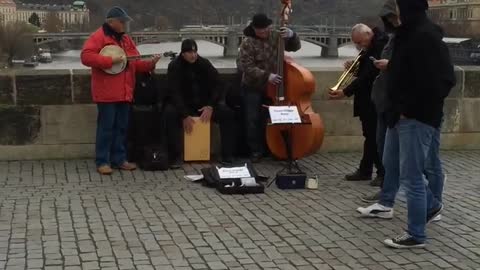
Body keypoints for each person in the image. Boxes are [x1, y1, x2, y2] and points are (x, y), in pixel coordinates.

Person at [360, 0, 455, 249]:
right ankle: (432, 205)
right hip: (397, 114)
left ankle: (416, 234)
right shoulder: (406, 35)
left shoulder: (426, 37)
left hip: (415, 116)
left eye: (399, 8)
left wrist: (409, 110)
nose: (396, 13)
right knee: (393, 164)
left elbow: (442, 81)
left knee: (413, 176)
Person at [81, 7, 161, 175]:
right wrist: (109, 60)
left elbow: (135, 62)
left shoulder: (126, 40)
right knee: (106, 128)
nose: (125, 24)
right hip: (106, 92)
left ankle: (119, 159)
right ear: (111, 22)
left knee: (122, 128)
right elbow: (86, 56)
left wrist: (150, 64)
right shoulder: (98, 36)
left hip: (125, 92)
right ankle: (102, 161)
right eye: (122, 21)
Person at [238, 13, 301, 163]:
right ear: (253, 29)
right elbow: (247, 67)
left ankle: (274, 148)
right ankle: (256, 151)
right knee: (252, 119)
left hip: (274, 87)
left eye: (266, 29)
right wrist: (267, 75)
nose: (264, 32)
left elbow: (295, 47)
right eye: (260, 30)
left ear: (269, 26)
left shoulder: (276, 36)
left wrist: (292, 35)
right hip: (252, 86)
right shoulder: (247, 42)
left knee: (274, 118)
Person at [329, 24, 388, 183]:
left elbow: (369, 76)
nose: (359, 46)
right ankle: (366, 170)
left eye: (361, 42)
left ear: (369, 34)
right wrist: (354, 68)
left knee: (374, 137)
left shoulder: (379, 47)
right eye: (357, 43)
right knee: (370, 136)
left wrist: (345, 91)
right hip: (366, 99)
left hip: (373, 99)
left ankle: (382, 173)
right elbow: (363, 71)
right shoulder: (371, 46)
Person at [164, 39, 237, 167]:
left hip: (204, 106)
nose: (193, 55)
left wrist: (210, 106)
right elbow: (173, 92)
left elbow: (218, 84)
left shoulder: (204, 63)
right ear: (182, 53)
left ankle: (227, 155)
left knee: (228, 114)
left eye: (195, 52)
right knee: (169, 115)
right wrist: (184, 115)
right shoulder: (175, 66)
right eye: (189, 52)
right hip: (184, 106)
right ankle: (175, 156)